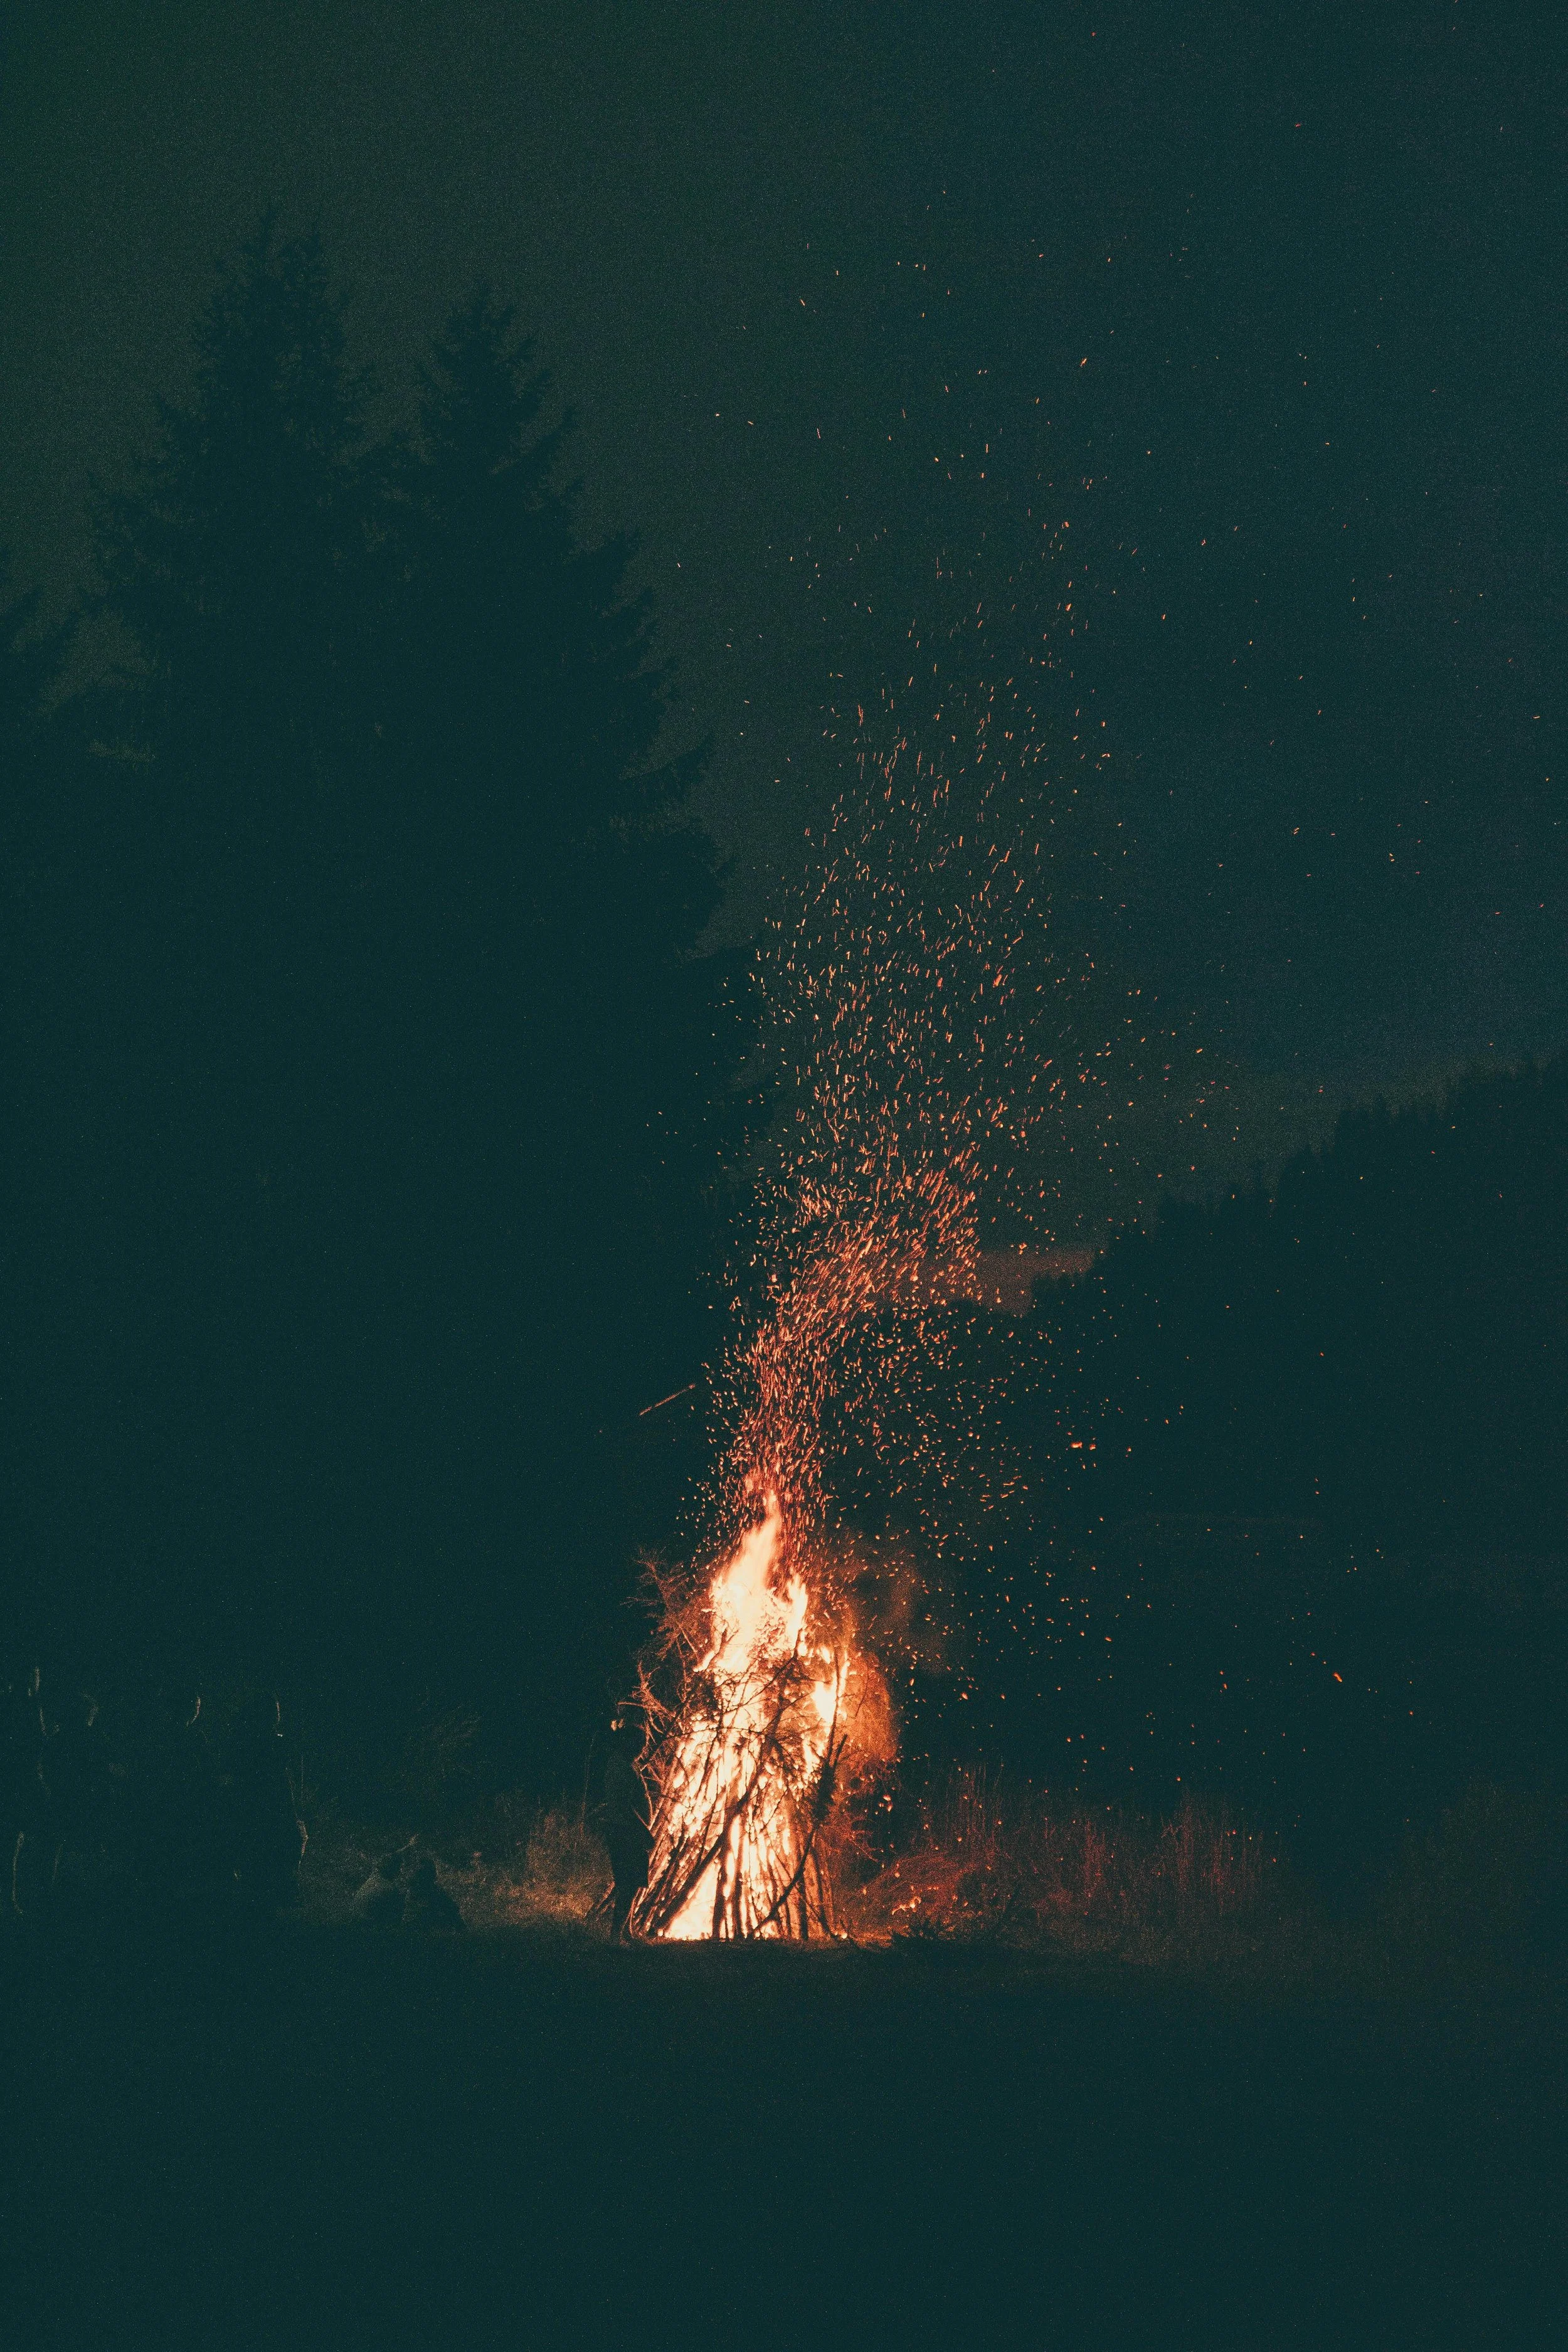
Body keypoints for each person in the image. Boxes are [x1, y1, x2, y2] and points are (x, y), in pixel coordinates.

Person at [600, 1715, 652, 1942]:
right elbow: (624, 1806)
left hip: (628, 1830)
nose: (642, 1750)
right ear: (629, 1743)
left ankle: (626, 1933)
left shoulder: (627, 1764)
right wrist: (644, 1832)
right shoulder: (620, 1767)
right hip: (624, 1830)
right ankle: (615, 1938)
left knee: (632, 1883)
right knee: (628, 1884)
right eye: (639, 1745)